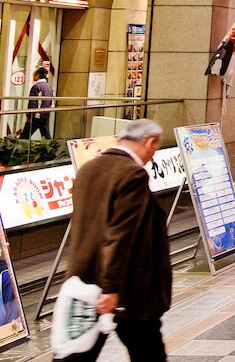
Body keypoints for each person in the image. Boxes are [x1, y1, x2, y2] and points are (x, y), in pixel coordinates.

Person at [66, 119, 170, 362]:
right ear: (149, 141)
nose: (152, 156)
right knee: (148, 352)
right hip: (126, 288)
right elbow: (122, 234)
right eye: (155, 149)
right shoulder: (132, 174)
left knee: (79, 352)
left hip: (84, 279)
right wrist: (112, 288)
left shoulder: (89, 169)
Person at [21, 66, 53, 139]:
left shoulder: (36, 87)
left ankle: (19, 149)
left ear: (38, 75)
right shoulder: (49, 87)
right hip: (45, 115)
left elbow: (33, 102)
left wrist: (29, 116)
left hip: (36, 115)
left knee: (24, 136)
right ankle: (51, 149)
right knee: (46, 136)